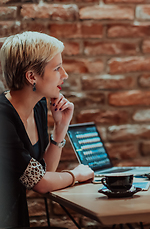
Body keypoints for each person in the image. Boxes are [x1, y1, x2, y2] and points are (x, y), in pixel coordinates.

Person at [0, 31, 94, 228]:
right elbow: (40, 183)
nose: (65, 75)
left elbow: (44, 171)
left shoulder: (39, 107)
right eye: (57, 68)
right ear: (31, 76)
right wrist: (76, 175)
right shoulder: (3, 118)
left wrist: (60, 127)